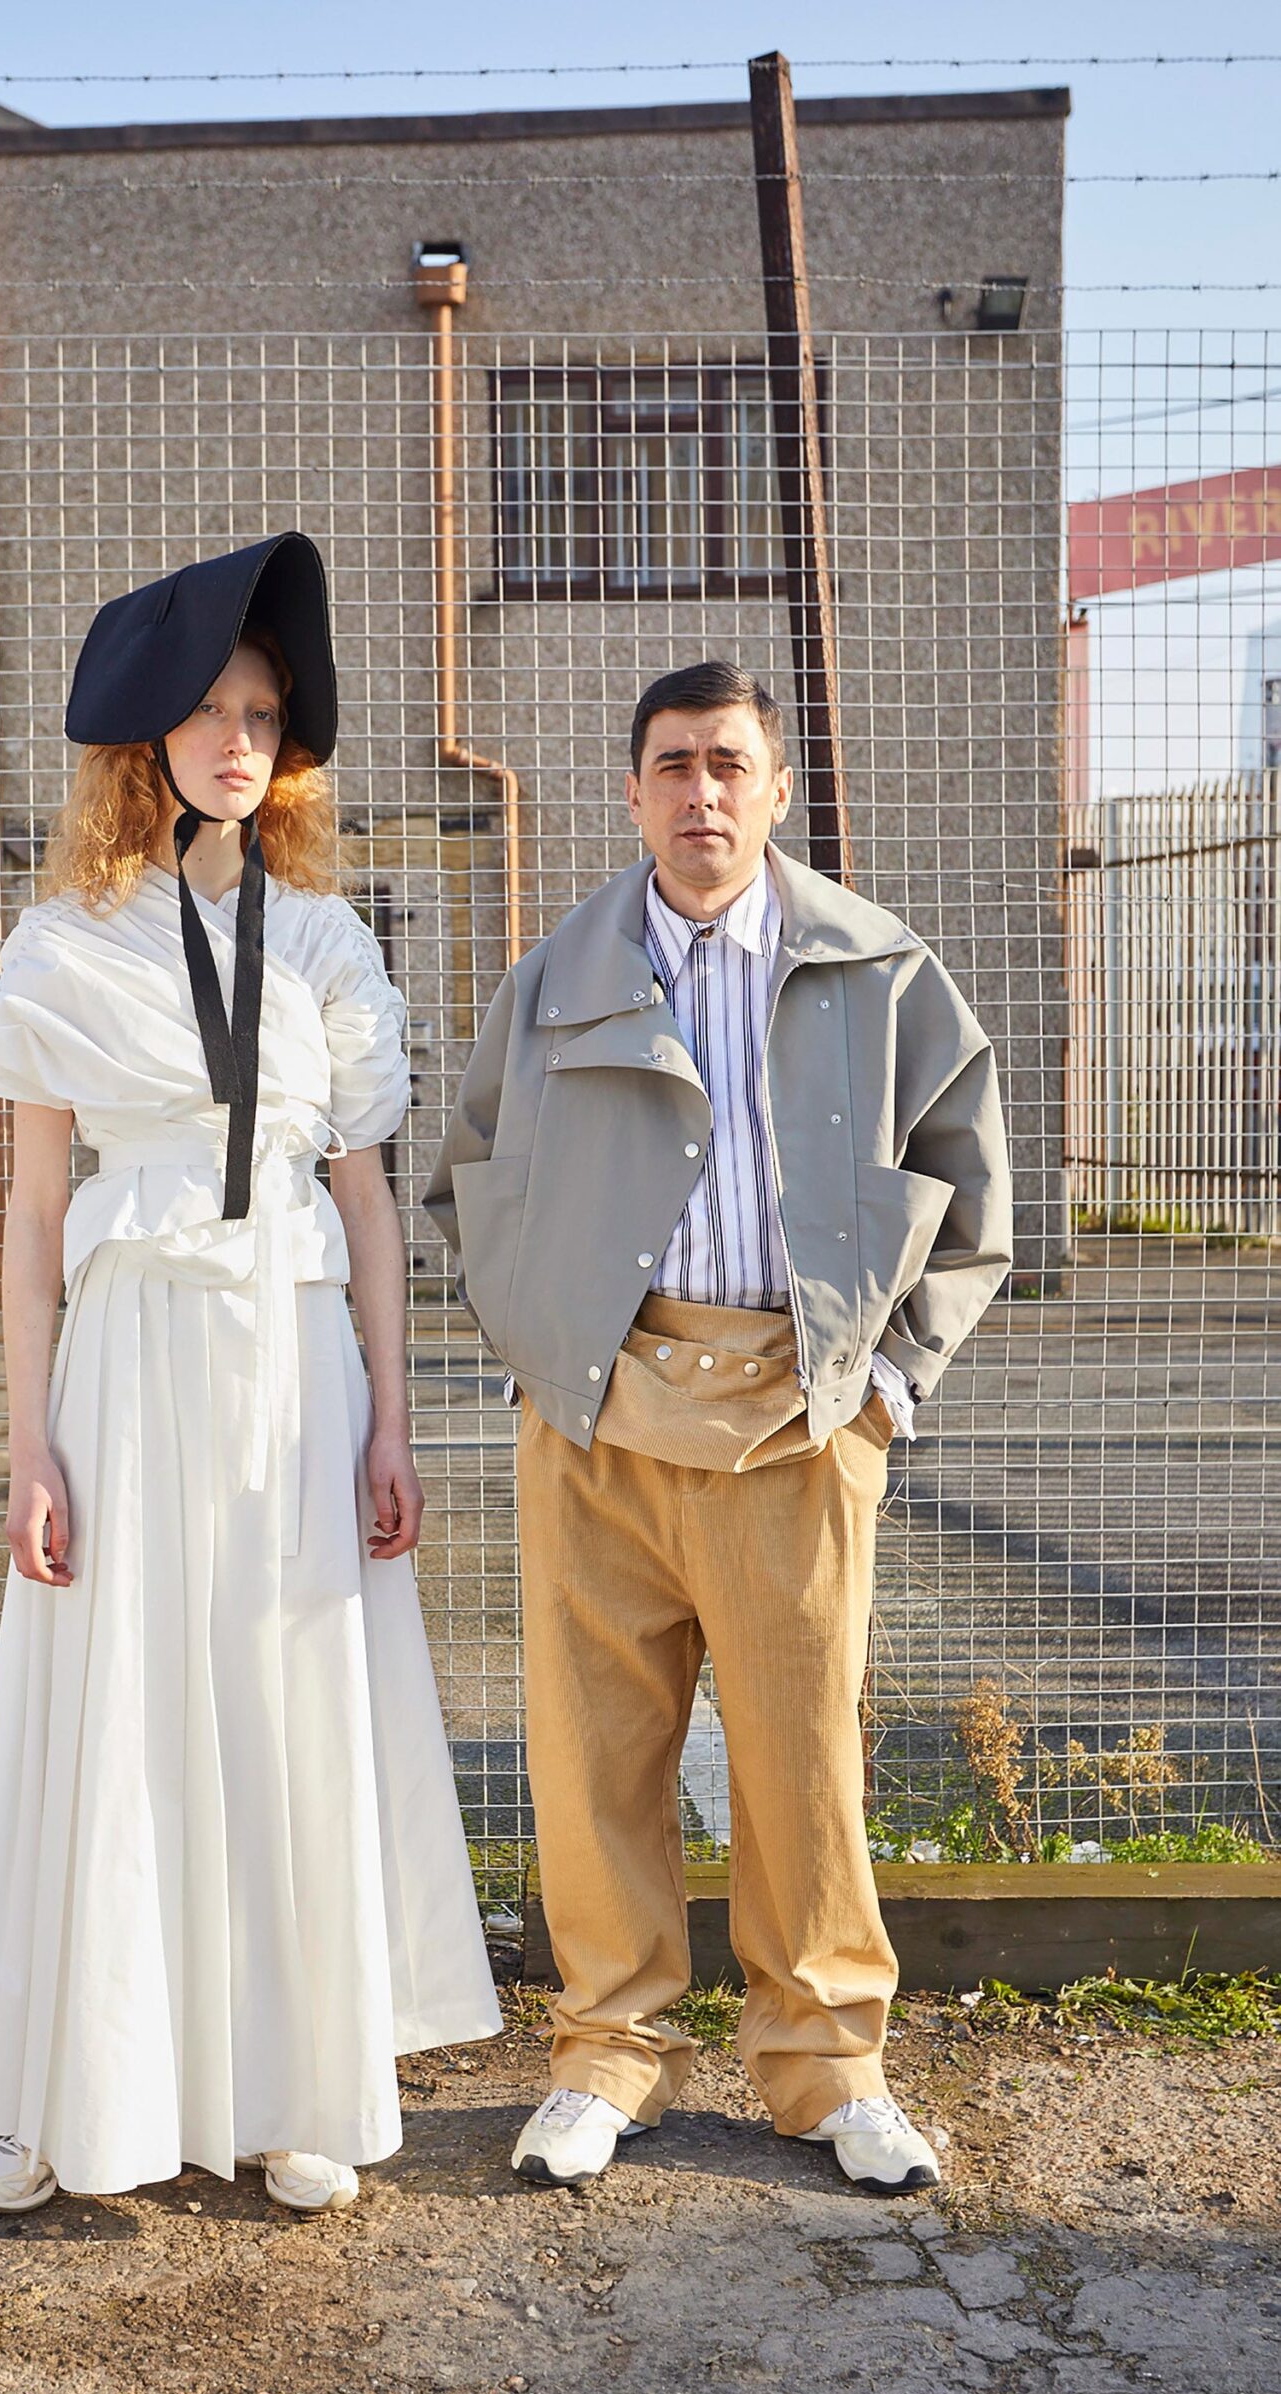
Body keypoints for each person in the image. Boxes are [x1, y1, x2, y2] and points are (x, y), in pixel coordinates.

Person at [0, 533, 499, 2218]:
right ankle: (63, 2097)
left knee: (280, 1694)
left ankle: (293, 2088)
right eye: (211, 709)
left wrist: (395, 1416)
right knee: (105, 1698)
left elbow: (370, 1202)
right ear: (147, 742)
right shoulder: (59, 948)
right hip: (124, 1369)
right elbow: (36, 1218)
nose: (242, 737)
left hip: (289, 1370)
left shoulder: (328, 949)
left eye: (264, 711)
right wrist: (29, 1445)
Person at [425, 659, 1012, 2197]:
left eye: (728, 765)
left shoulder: (878, 972)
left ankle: (828, 2070)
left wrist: (889, 1383)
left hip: (799, 1415)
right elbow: (471, 1178)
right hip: (603, 1417)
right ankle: (607, 2057)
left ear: (774, 789)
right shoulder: (557, 975)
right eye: (672, 765)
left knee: (803, 1755)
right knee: (591, 1747)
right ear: (631, 794)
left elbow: (972, 1182)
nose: (700, 792)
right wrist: (547, 1356)